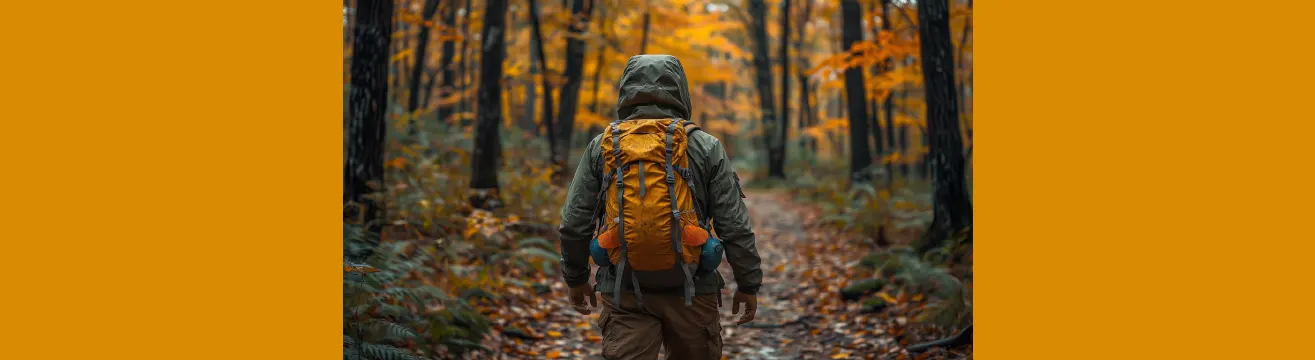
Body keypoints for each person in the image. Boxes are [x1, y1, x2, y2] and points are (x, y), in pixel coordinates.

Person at [557, 54, 764, 360]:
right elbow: (734, 225)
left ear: (626, 89)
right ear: (680, 90)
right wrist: (748, 283)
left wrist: (576, 279)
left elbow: (574, 222)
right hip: (693, 289)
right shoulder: (705, 145)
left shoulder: (603, 145)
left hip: (623, 288)